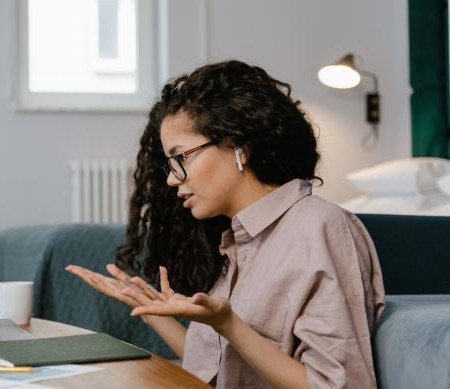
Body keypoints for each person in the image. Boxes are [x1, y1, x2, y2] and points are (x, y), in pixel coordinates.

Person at [66, 60, 385, 389]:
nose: (173, 180)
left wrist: (229, 324)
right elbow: (217, 368)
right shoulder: (235, 241)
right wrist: (151, 312)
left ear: (237, 146)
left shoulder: (320, 227)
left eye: (181, 158)